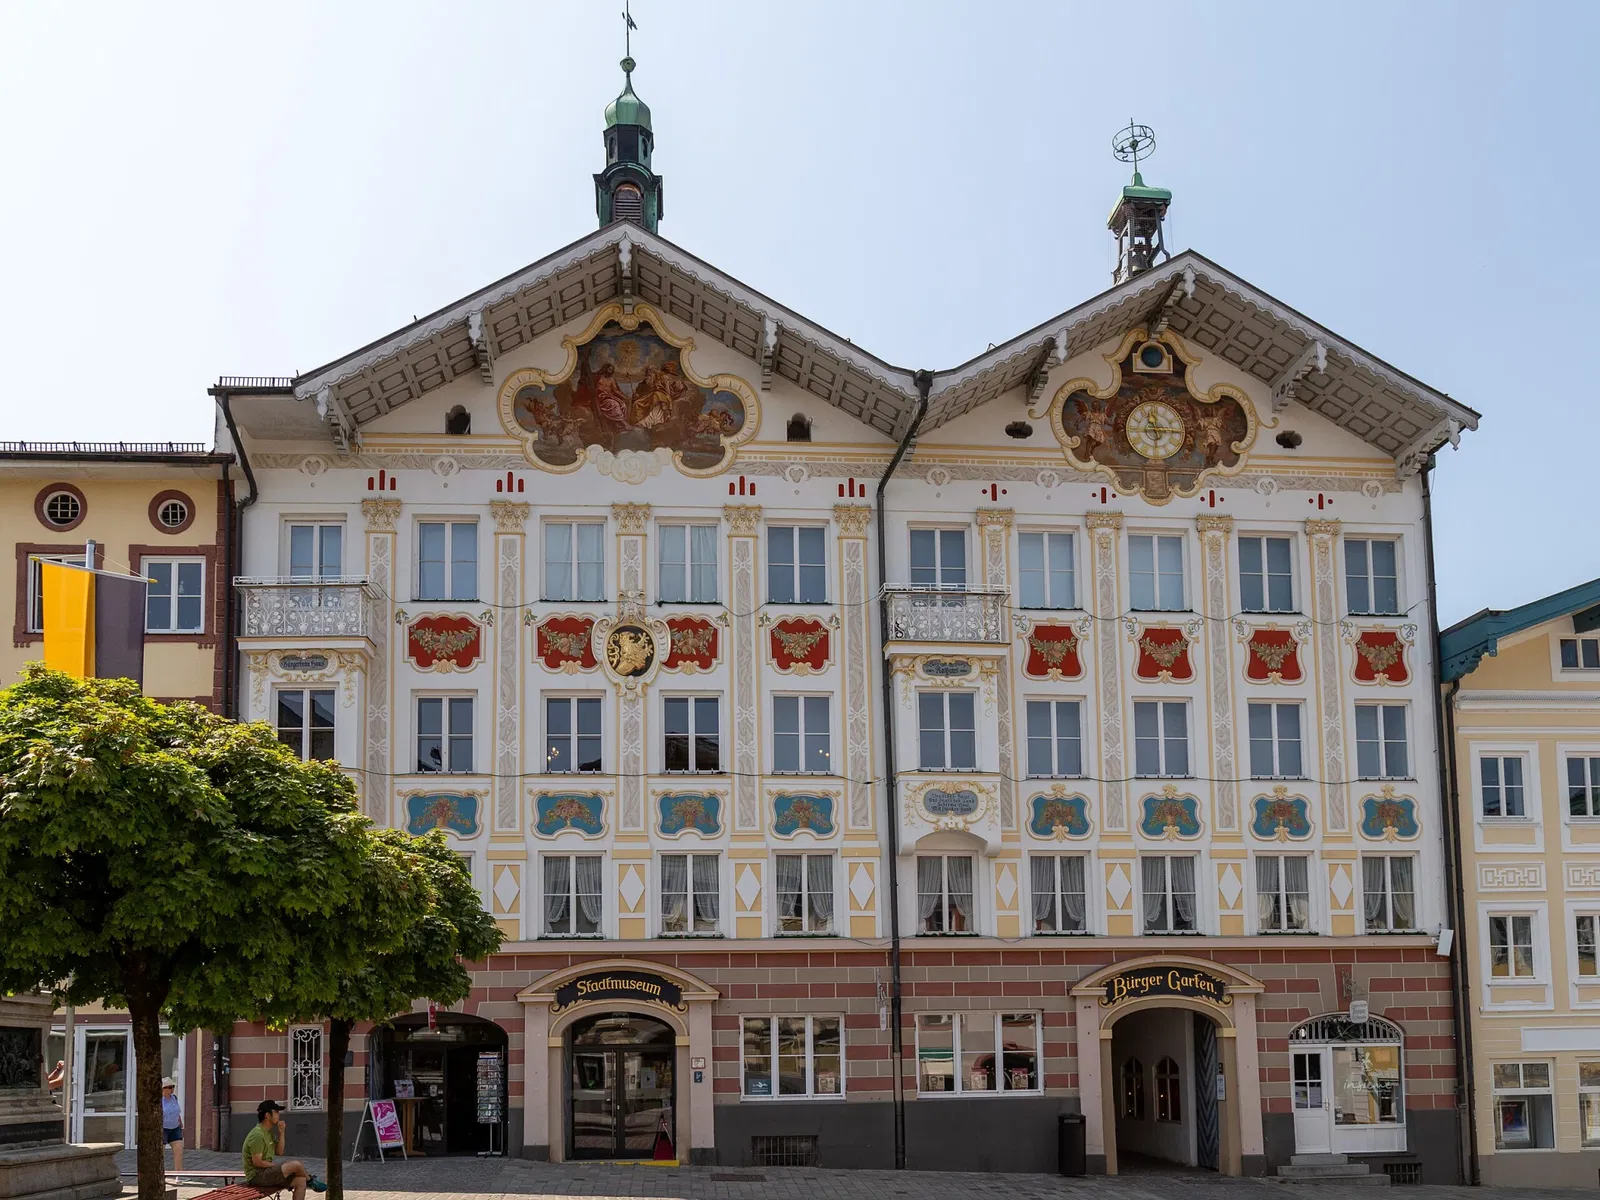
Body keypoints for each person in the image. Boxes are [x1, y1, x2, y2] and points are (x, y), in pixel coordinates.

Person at [242, 1100, 326, 1197]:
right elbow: (257, 1163)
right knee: (296, 1165)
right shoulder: (257, 1135)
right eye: (276, 1112)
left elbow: (279, 1152)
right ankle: (311, 1181)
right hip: (257, 1176)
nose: (279, 1115)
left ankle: (308, 1181)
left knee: (301, 1181)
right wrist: (278, 1167)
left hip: (266, 1172)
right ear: (267, 1115)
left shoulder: (268, 1132)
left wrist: (282, 1132)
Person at [160, 1078, 184, 1172]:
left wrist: (181, 1123)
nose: (172, 1089)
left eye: (173, 1087)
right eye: (169, 1087)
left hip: (175, 1127)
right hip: (163, 1128)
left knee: (179, 1151)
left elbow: (177, 1111)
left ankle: (179, 1174)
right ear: (163, 1089)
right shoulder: (160, 1100)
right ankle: (160, 1173)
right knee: (160, 1153)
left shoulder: (174, 1097)